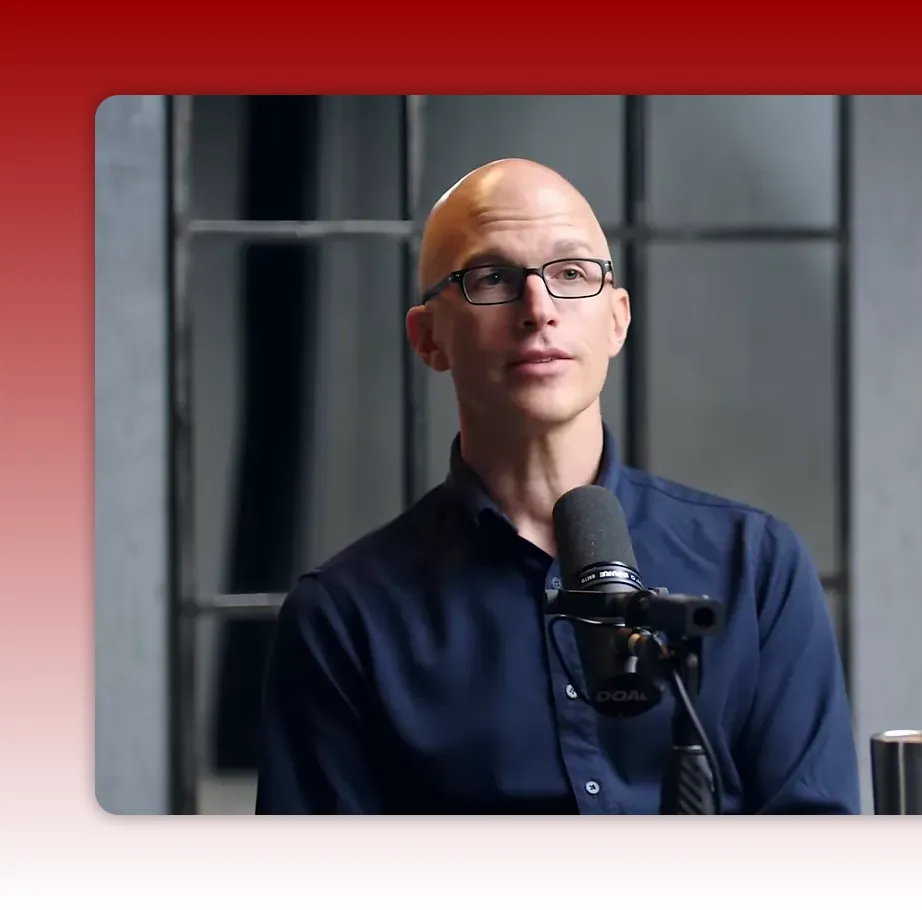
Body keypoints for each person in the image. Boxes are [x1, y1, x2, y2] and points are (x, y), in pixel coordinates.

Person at [254, 158, 861, 814]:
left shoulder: (758, 568)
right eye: (492, 278)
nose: (539, 308)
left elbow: (819, 859)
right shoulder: (345, 620)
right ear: (428, 338)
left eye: (571, 274)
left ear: (617, 319)